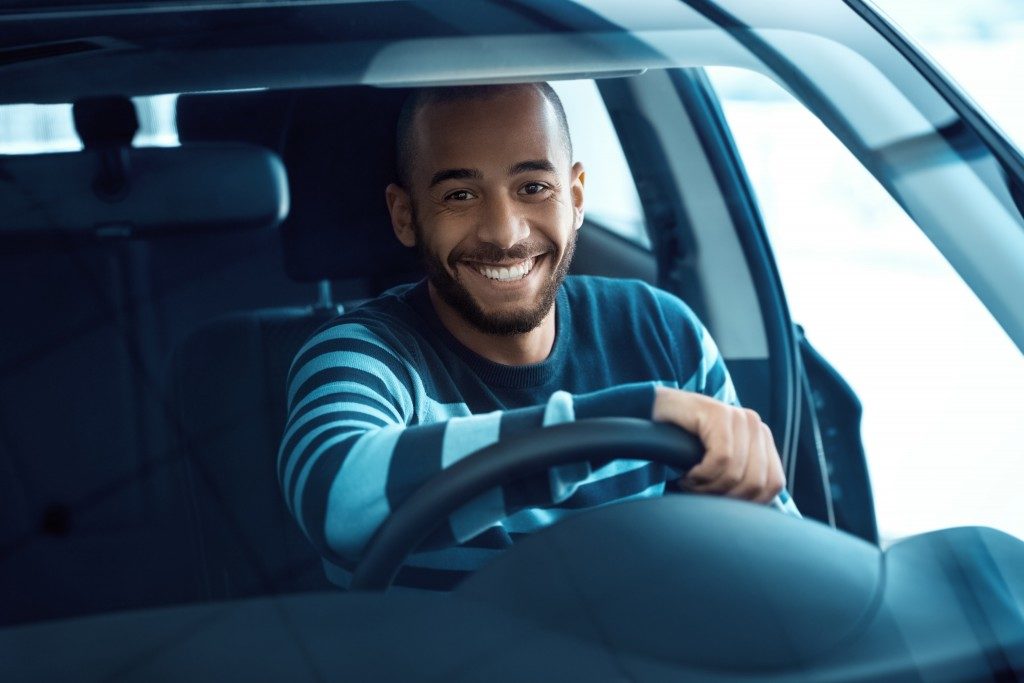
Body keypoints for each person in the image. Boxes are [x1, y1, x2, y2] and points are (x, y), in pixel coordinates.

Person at [279, 82, 798, 591]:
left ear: (574, 198)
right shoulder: (356, 354)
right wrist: (639, 416)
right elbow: (335, 499)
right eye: (459, 195)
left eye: (533, 188)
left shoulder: (662, 329)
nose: (504, 234)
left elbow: (775, 557)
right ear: (406, 215)